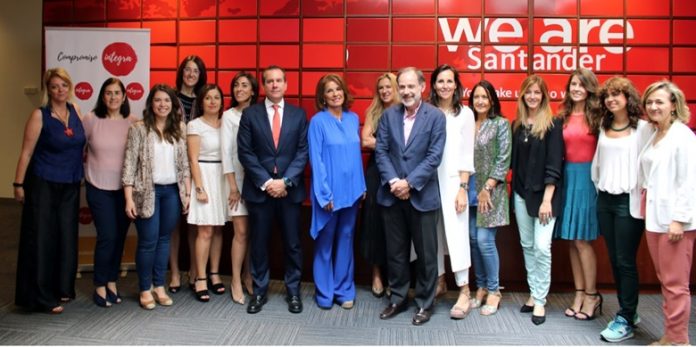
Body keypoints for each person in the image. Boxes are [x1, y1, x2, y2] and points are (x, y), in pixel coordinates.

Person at [375, 67, 446, 326]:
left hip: (422, 196)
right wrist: (395, 182)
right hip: (392, 195)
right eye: (402, 87)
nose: (405, 91)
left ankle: (425, 303)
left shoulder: (436, 117)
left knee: (427, 255)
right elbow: (381, 151)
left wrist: (410, 183)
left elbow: (433, 157)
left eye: (410, 86)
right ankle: (398, 298)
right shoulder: (388, 116)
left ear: (422, 87)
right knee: (396, 252)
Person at [237, 65, 309, 314]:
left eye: (279, 80)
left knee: (292, 244)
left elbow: (302, 152)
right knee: (259, 243)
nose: (275, 85)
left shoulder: (299, 115)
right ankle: (259, 291)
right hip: (260, 191)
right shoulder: (250, 115)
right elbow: (245, 152)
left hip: (290, 191)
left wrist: (285, 181)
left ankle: (293, 291)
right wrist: (268, 183)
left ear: (286, 84)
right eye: (270, 81)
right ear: (264, 86)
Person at [14, 67, 85, 314]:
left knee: (65, 236)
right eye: (54, 86)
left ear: (69, 86)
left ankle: (62, 287)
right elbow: (26, 152)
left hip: (70, 183)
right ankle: (41, 296)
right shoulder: (39, 115)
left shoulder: (75, 110)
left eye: (63, 85)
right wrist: (18, 184)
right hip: (43, 182)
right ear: (48, 89)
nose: (59, 90)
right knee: (42, 238)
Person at [635, 81, 695, 346]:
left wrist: (679, 220)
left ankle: (679, 340)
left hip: (675, 221)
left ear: (674, 105)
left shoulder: (683, 136)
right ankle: (669, 336)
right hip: (654, 216)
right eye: (649, 102)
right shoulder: (653, 133)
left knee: (675, 284)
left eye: (660, 101)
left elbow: (689, 181)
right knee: (665, 280)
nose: (653, 106)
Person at [592, 76, 651, 343]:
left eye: (617, 95)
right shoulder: (604, 126)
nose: (611, 99)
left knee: (626, 260)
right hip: (605, 199)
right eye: (608, 96)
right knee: (614, 258)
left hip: (628, 201)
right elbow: (598, 163)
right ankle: (630, 310)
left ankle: (626, 317)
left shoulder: (643, 129)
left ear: (628, 99)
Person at [122, 84, 191, 310]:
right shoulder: (139, 129)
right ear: (151, 103)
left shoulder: (180, 128)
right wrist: (129, 198)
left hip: (172, 192)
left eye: (167, 101)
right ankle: (144, 288)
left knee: (164, 241)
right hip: (146, 192)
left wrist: (187, 192)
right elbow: (130, 164)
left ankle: (159, 285)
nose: (162, 105)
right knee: (148, 242)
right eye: (158, 100)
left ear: (173, 105)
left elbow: (185, 165)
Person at [308, 74, 366, 310]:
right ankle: (324, 292)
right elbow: (316, 159)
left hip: (352, 193)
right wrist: (324, 195)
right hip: (329, 195)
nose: (335, 94)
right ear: (323, 96)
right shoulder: (317, 122)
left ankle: (343, 290)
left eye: (338, 89)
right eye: (329, 91)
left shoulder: (353, 119)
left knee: (345, 240)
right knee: (325, 243)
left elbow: (356, 157)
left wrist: (361, 186)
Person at [511, 75, 564, 326]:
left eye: (537, 92)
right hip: (521, 194)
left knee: (542, 247)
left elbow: (554, 166)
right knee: (528, 245)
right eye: (528, 92)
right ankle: (534, 293)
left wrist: (547, 200)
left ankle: (541, 300)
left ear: (544, 96)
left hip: (545, 198)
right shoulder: (518, 125)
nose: (532, 96)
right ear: (523, 95)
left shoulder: (553, 125)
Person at [553, 69, 603, 320]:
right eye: (573, 84)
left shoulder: (598, 116)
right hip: (567, 178)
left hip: (588, 180)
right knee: (572, 240)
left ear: (589, 88)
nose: (576, 89)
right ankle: (579, 293)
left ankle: (592, 296)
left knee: (583, 240)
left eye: (582, 85)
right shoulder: (561, 115)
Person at [83, 78, 137, 307]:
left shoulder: (133, 122)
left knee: (120, 237)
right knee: (107, 236)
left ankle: (112, 280)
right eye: (108, 93)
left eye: (117, 93)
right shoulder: (90, 120)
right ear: (102, 96)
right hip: (97, 186)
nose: (113, 97)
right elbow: (77, 148)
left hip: (124, 191)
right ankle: (100, 283)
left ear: (124, 96)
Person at [428, 64, 475, 319]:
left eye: (449, 81)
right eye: (440, 81)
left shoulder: (465, 114)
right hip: (428, 181)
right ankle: (439, 281)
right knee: (433, 234)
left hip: (454, 182)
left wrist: (463, 189)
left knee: (456, 235)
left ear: (456, 85)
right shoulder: (427, 112)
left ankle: (465, 290)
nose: (445, 85)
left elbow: (467, 153)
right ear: (433, 85)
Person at [467, 80, 511, 316]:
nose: (480, 101)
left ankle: (494, 291)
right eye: (476, 97)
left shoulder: (500, 124)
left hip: (490, 192)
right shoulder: (467, 123)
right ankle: (481, 286)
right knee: (473, 239)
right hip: (468, 189)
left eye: (485, 97)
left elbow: (504, 158)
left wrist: (488, 186)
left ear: (492, 100)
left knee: (484, 240)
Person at [169, 55, 207, 293]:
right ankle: (174, 272)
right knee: (173, 224)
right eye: (187, 70)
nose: (191, 74)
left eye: (196, 71)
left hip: (198, 167)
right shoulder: (169, 98)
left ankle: (195, 270)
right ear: (181, 72)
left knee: (195, 223)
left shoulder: (204, 100)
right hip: (171, 166)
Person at [359, 73, 400, 298]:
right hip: (376, 174)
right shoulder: (373, 112)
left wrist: (381, 145)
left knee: (395, 227)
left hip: (399, 175)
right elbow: (365, 140)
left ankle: (396, 276)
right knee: (373, 223)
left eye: (388, 87)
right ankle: (376, 274)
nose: (385, 91)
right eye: (381, 88)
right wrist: (393, 146)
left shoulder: (405, 111)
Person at [187, 84, 228, 302]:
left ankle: (214, 273)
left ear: (222, 102)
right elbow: (193, 159)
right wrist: (199, 188)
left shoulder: (226, 123)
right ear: (201, 102)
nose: (212, 101)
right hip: (204, 177)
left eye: (217, 97)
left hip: (222, 177)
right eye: (208, 98)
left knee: (219, 230)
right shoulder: (195, 125)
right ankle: (200, 277)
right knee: (205, 231)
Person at [221, 71, 259, 304]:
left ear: (253, 90)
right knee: (241, 233)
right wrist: (233, 187)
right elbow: (226, 153)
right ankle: (235, 280)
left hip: (258, 181)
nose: (239, 89)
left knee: (255, 234)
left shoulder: (259, 113)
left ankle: (249, 276)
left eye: (244, 85)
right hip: (236, 180)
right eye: (236, 85)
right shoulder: (228, 116)